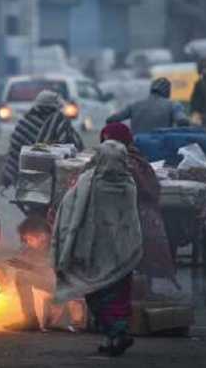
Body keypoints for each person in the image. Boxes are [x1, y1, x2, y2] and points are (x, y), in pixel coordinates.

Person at [52, 141, 143, 357]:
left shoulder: (89, 183)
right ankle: (112, 339)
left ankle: (116, 334)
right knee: (118, 296)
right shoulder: (129, 184)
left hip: (93, 250)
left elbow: (70, 210)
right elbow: (132, 219)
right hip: (121, 250)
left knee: (95, 293)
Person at [100, 123, 177, 286]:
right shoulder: (109, 160)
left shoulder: (131, 162)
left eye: (111, 142)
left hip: (136, 216)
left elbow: (147, 189)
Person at [1, 90, 84, 188]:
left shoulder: (25, 121)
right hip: (53, 177)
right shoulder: (59, 120)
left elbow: (14, 150)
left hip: (25, 175)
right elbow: (73, 145)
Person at [6, 216, 55, 331]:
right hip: (52, 285)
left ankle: (31, 321)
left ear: (42, 236)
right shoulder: (30, 249)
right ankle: (31, 320)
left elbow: (53, 272)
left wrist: (29, 267)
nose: (28, 243)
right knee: (21, 275)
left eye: (30, 239)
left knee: (23, 277)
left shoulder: (57, 245)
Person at [106, 77, 190, 136]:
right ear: (168, 91)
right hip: (162, 147)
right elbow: (182, 121)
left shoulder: (135, 105)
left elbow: (111, 120)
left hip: (137, 148)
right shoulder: (173, 105)